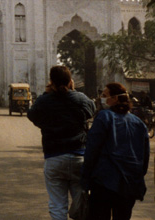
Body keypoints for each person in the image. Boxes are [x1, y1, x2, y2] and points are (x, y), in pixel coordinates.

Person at [27, 65, 96, 220]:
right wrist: (73, 91)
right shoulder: (80, 98)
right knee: (81, 205)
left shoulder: (44, 100)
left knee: (57, 205)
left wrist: (48, 93)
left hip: (54, 157)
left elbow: (32, 115)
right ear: (70, 81)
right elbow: (91, 110)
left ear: (51, 81)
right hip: (79, 157)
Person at [81, 82, 150, 220]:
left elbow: (91, 151)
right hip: (128, 185)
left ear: (116, 99)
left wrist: (85, 179)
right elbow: (144, 159)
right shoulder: (139, 124)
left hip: (104, 183)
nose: (101, 98)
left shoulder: (103, 117)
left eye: (105, 95)